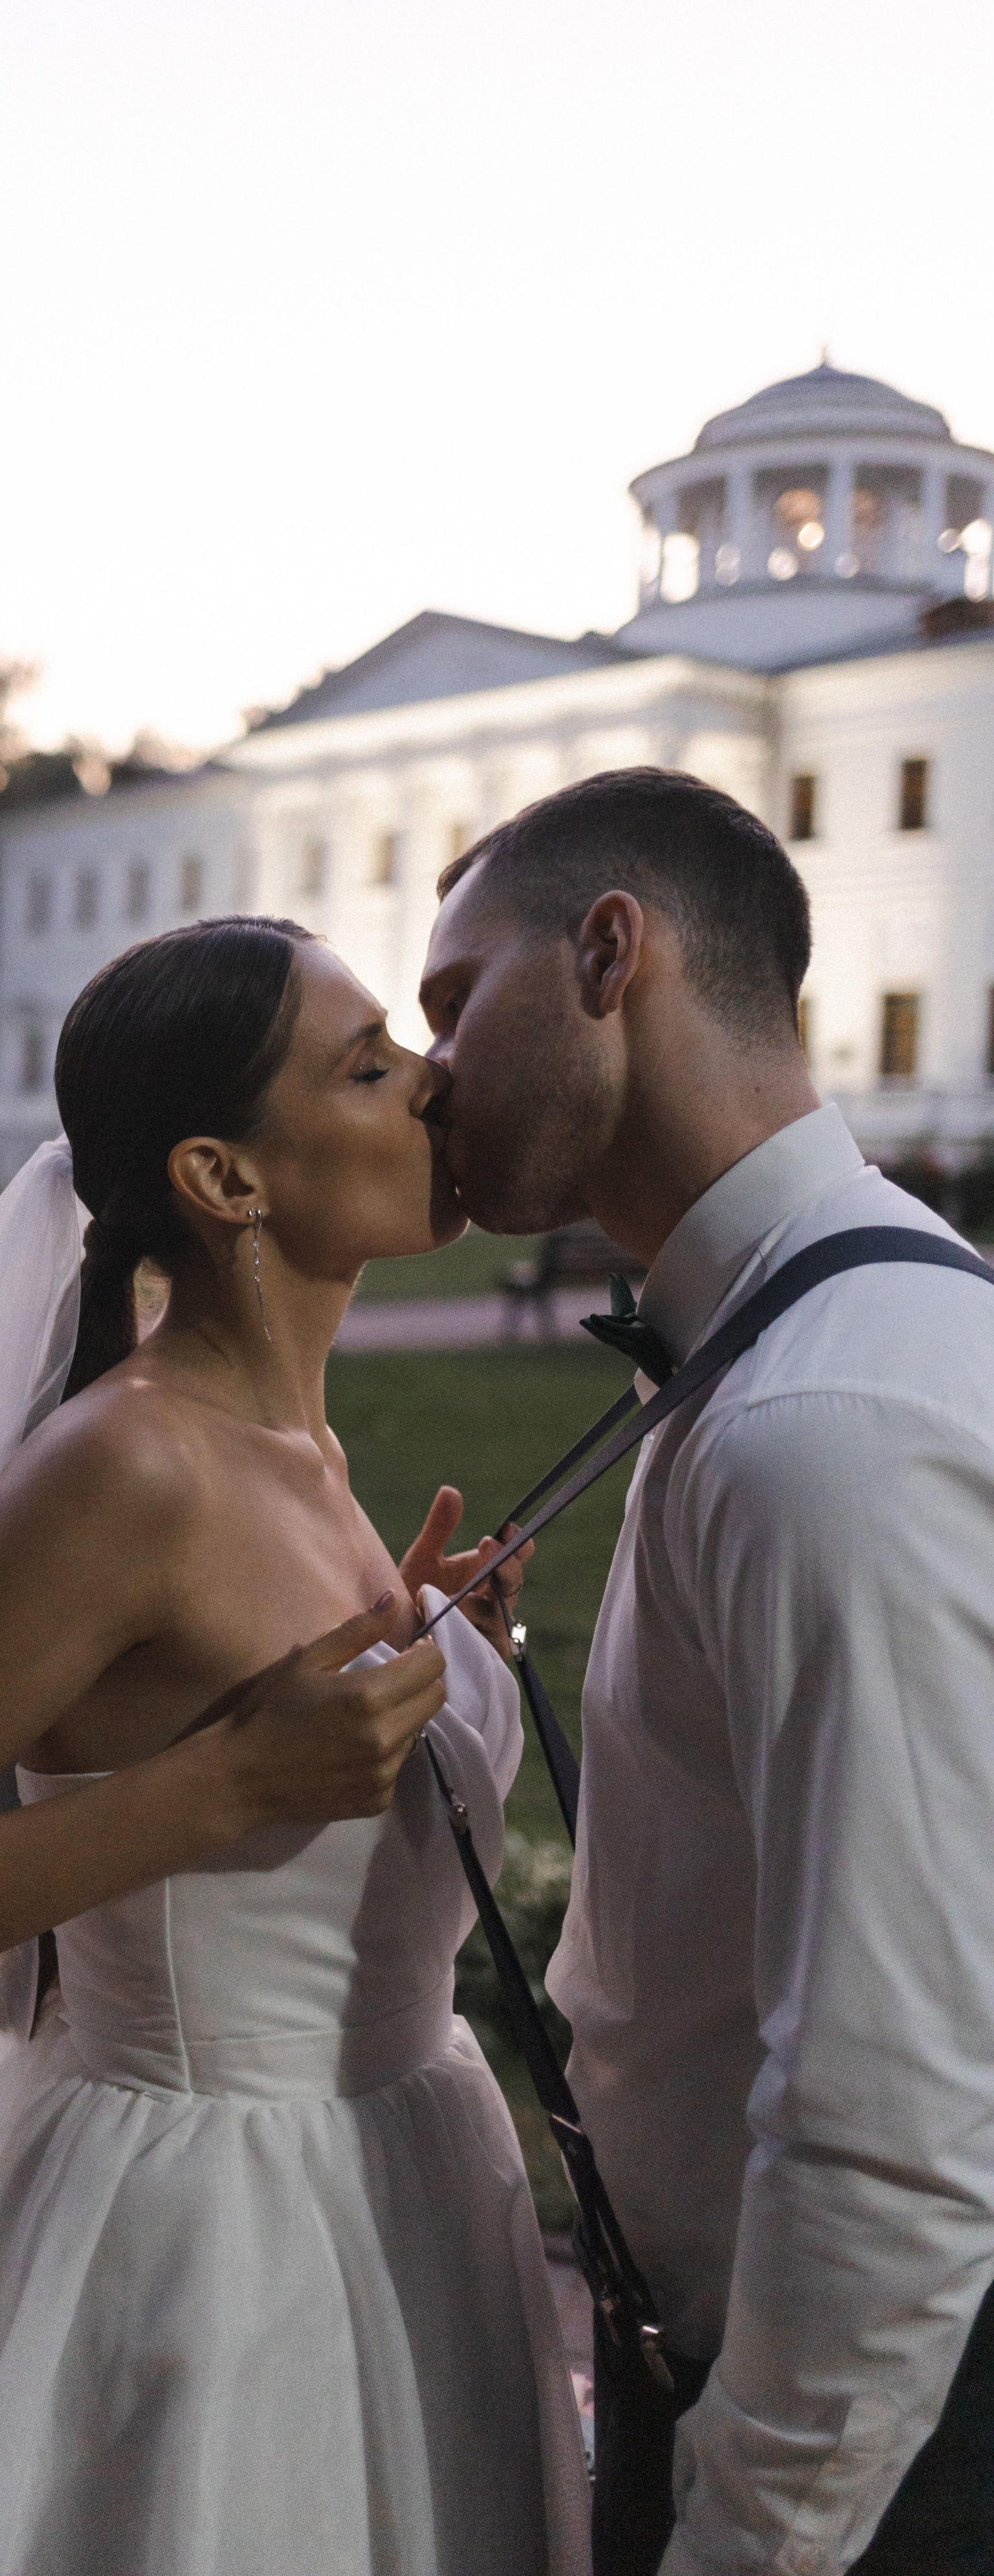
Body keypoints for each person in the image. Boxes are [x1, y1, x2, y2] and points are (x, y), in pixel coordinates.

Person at [0, 915, 590, 2576]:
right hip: (207, 2237)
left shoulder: (298, 1445)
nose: (432, 1085)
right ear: (225, 1179)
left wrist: (441, 1659)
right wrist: (220, 1788)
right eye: (370, 1064)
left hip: (403, 2179)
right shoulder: (124, 1471)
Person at [417, 766, 994, 2576]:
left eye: (454, 1000)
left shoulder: (829, 1420)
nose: (431, 1071)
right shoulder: (812, 1339)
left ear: (609, 954)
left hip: (865, 2434)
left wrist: (748, 2536)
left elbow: (895, 2117)